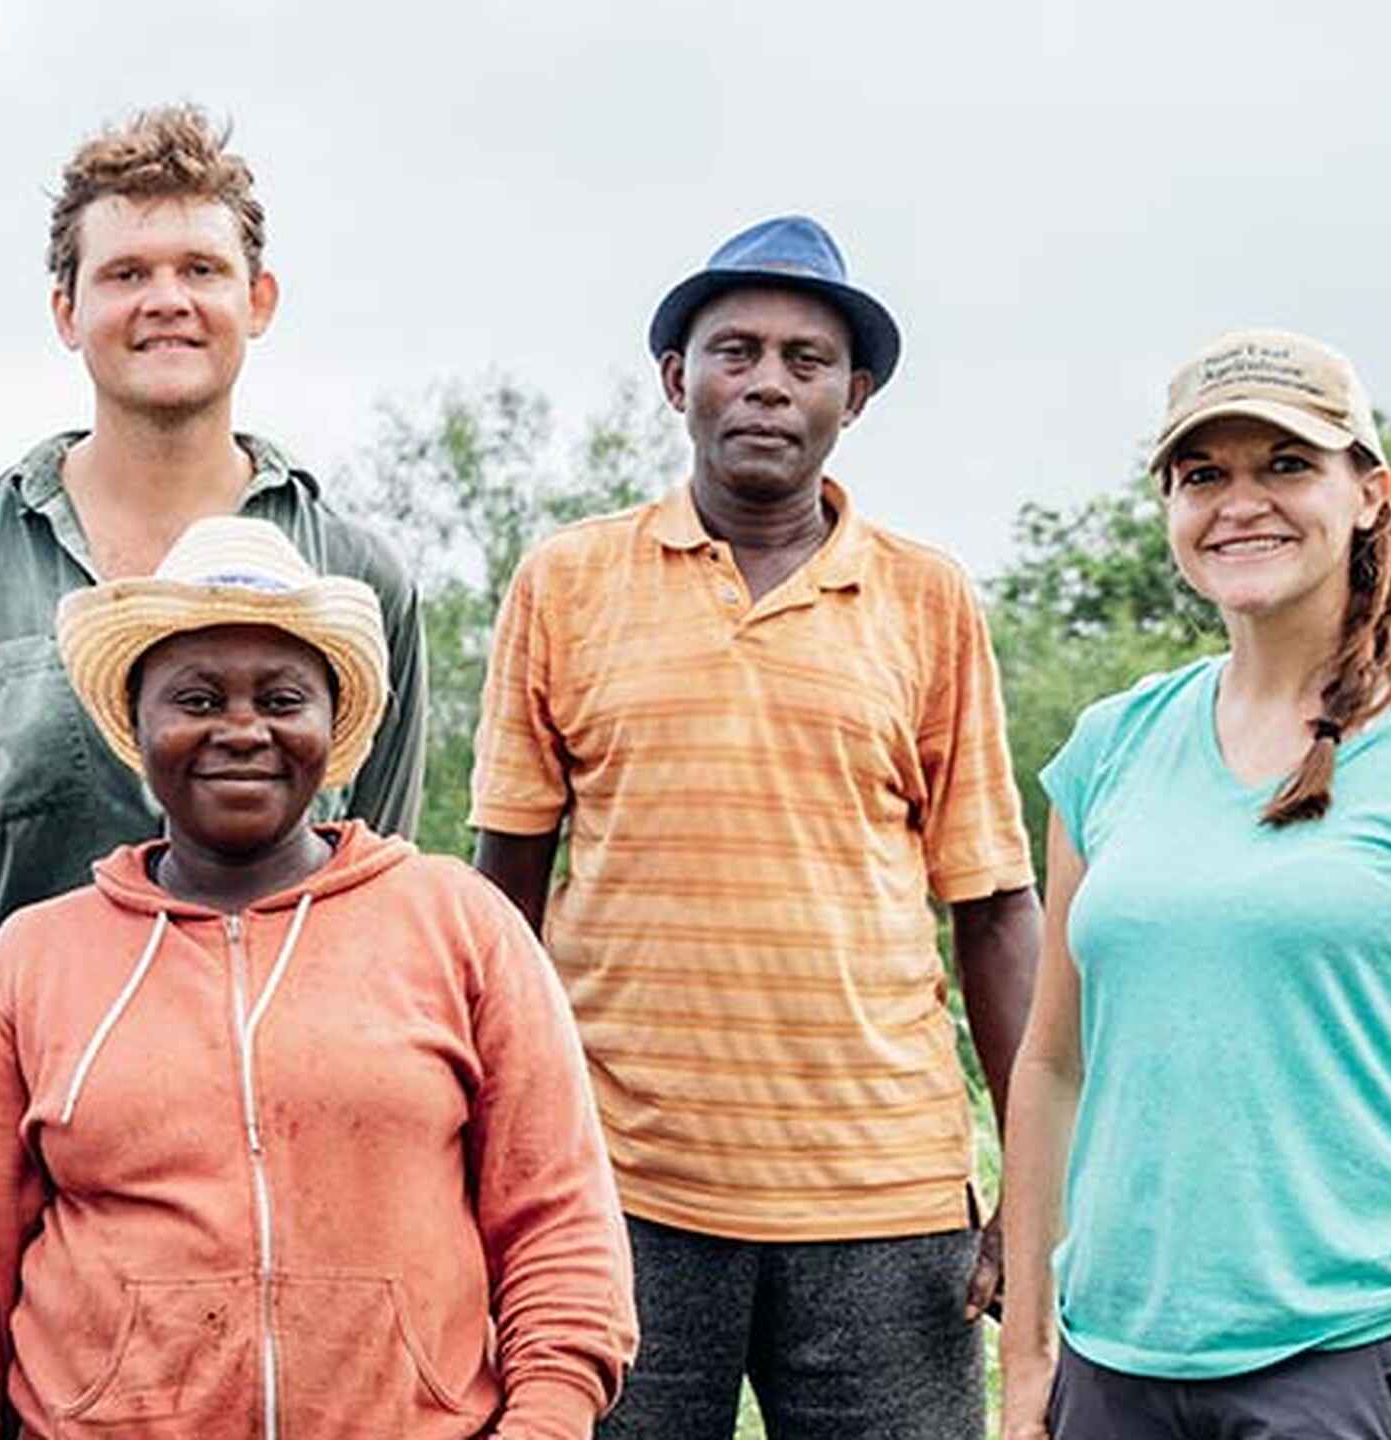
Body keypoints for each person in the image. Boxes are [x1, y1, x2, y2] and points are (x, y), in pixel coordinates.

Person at [471, 215, 1040, 1439]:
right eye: (734, 352)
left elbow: (992, 905)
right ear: (677, 381)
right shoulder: (565, 582)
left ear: (856, 396)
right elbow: (500, 892)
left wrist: (1033, 1186)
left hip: (881, 1203)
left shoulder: (925, 596)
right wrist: (480, 1155)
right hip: (621, 1189)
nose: (768, 384)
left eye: (805, 359)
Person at [0, 515, 634, 1438]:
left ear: (331, 722)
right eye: (196, 699)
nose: (242, 731)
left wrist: (543, 1429)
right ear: (137, 720)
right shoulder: (32, 961)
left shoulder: (458, 924)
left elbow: (560, 1232)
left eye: (282, 699)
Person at [0, 104, 426, 1011]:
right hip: (29, 1087)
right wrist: (32, 998)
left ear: (257, 300)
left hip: (292, 1082)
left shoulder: (357, 578)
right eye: (125, 273)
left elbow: (378, 850)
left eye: (202, 268)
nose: (167, 300)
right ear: (68, 312)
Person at [1000, 331, 1391, 1439]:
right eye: (1204, 475)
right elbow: (1052, 1063)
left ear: (1369, 494)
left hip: (1352, 1364)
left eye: (1286, 465)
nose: (1241, 503)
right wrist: (1029, 1358)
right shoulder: (1109, 748)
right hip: (1111, 1370)